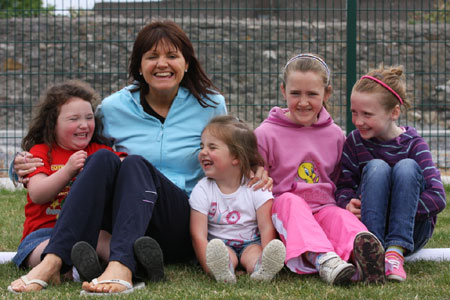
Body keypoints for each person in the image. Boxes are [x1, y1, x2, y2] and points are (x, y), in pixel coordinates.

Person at [8, 20, 270, 295]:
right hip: (122, 220)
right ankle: (53, 260)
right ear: (139, 65)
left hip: (178, 219)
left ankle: (122, 265)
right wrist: (20, 167)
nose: (162, 64)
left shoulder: (211, 104)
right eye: (152, 56)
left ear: (187, 63)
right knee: (104, 159)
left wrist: (257, 167)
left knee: (133, 163)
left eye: (172, 56)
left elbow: (235, 144)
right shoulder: (112, 108)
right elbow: (74, 145)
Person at [254, 53, 386, 285]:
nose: (303, 102)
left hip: (323, 207)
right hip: (285, 211)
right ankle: (324, 258)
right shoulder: (265, 134)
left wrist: (347, 203)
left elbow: (339, 180)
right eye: (295, 93)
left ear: (326, 94)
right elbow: (256, 183)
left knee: (339, 216)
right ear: (284, 91)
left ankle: (363, 254)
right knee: (289, 201)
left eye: (312, 94)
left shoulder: (335, 135)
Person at [335, 65, 446, 282]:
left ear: (394, 112)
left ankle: (395, 252)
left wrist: (397, 209)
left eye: (367, 114)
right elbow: (343, 186)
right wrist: (347, 203)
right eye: (354, 112)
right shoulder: (354, 142)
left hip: (411, 232)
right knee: (377, 167)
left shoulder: (415, 145)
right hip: (368, 228)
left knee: (406, 167)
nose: (358, 121)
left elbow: (438, 197)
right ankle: (372, 253)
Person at [10, 80, 126, 274]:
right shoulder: (40, 153)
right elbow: (38, 194)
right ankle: (70, 266)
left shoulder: (100, 151)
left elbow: (123, 167)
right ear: (52, 124)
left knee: (104, 239)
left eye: (89, 117)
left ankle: (129, 259)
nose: (84, 125)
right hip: (44, 232)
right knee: (40, 250)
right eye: (74, 119)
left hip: (89, 230)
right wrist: (68, 170)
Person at [189, 116, 286, 284]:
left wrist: (266, 251)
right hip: (219, 246)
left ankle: (262, 268)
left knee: (254, 254)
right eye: (202, 146)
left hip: (251, 243)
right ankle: (222, 271)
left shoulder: (256, 187)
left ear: (236, 157)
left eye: (212, 147)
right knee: (225, 256)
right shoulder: (202, 189)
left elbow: (266, 228)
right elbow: (198, 234)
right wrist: (207, 266)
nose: (203, 152)